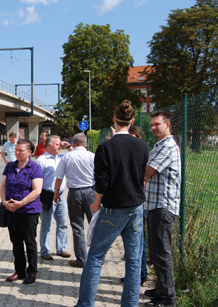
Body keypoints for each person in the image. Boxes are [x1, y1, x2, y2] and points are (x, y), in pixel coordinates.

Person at [76, 100, 149, 307]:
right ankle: (130, 304)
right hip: (135, 207)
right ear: (132, 120)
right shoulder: (143, 146)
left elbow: (102, 182)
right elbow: (141, 175)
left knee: (96, 257)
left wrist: (96, 203)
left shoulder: (105, 147)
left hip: (112, 208)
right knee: (134, 261)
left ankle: (86, 304)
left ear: (113, 120)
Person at [143, 112, 181, 307]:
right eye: (151, 125)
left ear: (167, 124)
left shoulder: (167, 147)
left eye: (157, 124)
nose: (153, 128)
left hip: (163, 207)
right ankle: (161, 290)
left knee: (162, 253)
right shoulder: (159, 146)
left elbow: (147, 172)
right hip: (154, 206)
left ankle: (168, 299)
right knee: (156, 252)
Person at [0, 139, 43, 284]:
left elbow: (37, 190)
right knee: (16, 242)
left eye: (20, 150)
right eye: (16, 150)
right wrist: (4, 201)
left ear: (29, 152)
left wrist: (22, 203)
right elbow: (3, 185)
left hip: (29, 210)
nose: (17, 153)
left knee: (30, 242)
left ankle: (32, 271)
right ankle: (19, 271)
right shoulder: (10, 166)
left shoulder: (35, 168)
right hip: (11, 210)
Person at [54, 133, 95, 268]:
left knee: (77, 227)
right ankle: (96, 259)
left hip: (75, 193)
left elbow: (59, 177)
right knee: (94, 225)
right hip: (91, 192)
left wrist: (56, 193)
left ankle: (81, 259)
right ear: (85, 144)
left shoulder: (67, 157)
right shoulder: (92, 156)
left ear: (74, 143)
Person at [120, 125, 148, 286]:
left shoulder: (142, 152)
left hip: (140, 204)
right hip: (135, 203)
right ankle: (135, 275)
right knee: (132, 243)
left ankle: (140, 275)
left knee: (139, 243)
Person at [35, 135, 71, 261]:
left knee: (63, 223)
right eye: (57, 144)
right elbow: (36, 181)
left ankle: (61, 248)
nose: (60, 146)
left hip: (60, 196)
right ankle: (45, 250)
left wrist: (69, 146)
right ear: (49, 145)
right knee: (46, 224)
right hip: (47, 195)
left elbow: (74, 156)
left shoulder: (62, 157)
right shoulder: (41, 160)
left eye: (60, 144)